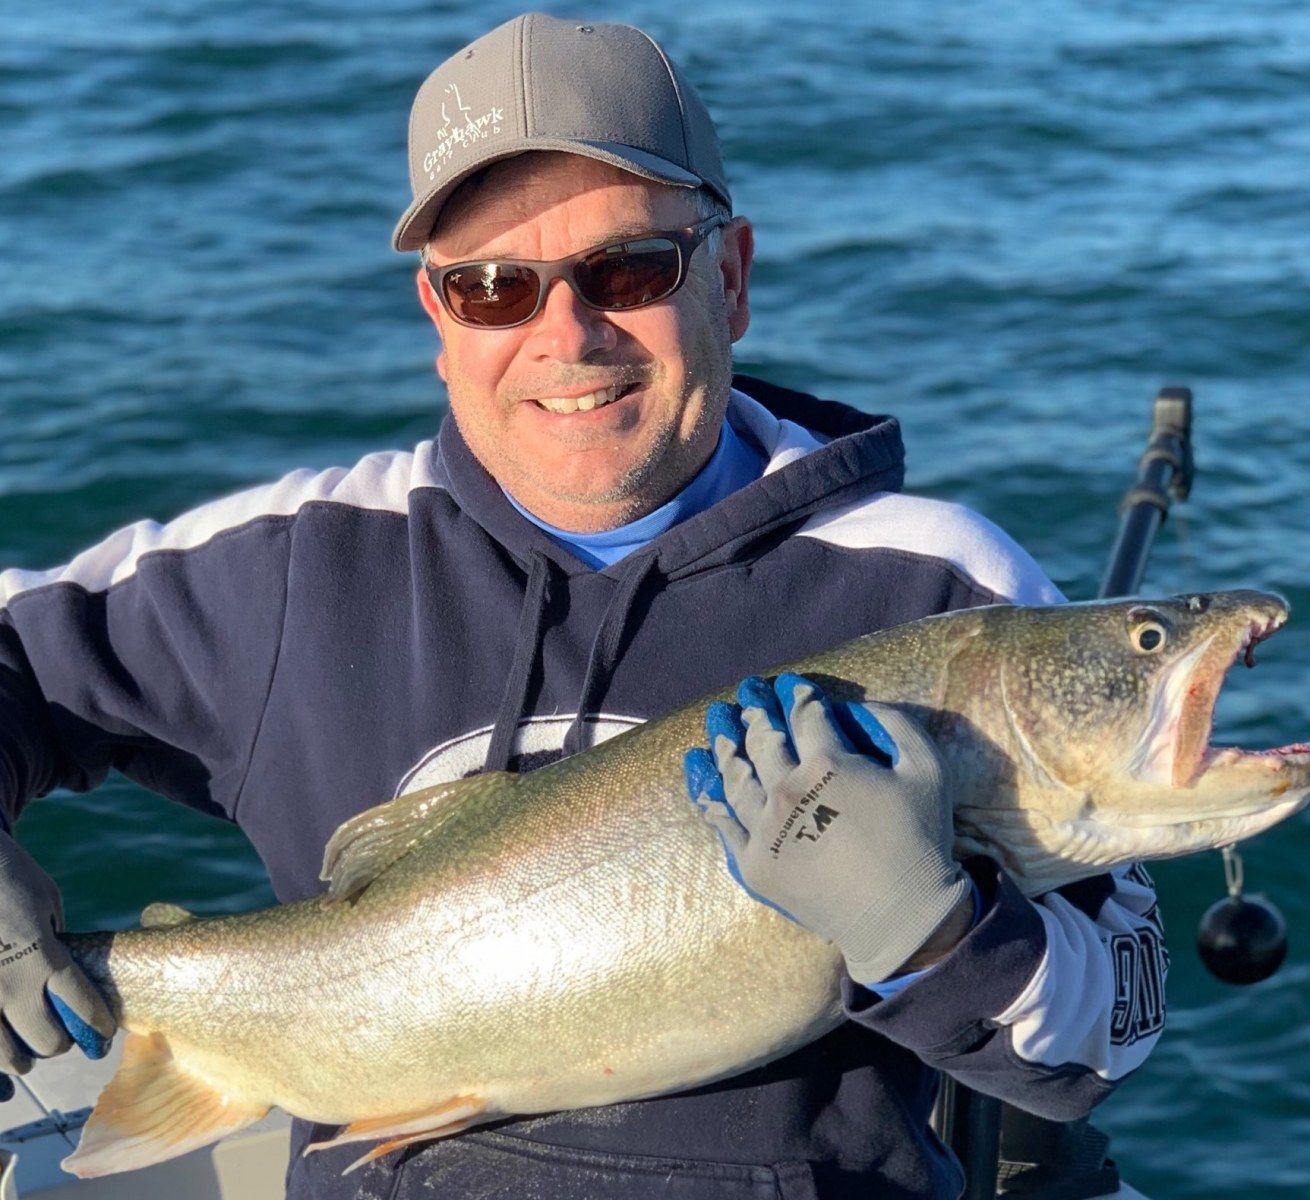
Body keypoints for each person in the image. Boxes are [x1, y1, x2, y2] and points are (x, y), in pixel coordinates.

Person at [0, 13, 1168, 1199]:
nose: (566, 335)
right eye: (495, 287)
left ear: (730, 275)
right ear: (438, 322)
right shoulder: (297, 566)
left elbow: (1113, 1027)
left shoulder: (937, 593)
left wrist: (932, 939)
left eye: (628, 270)